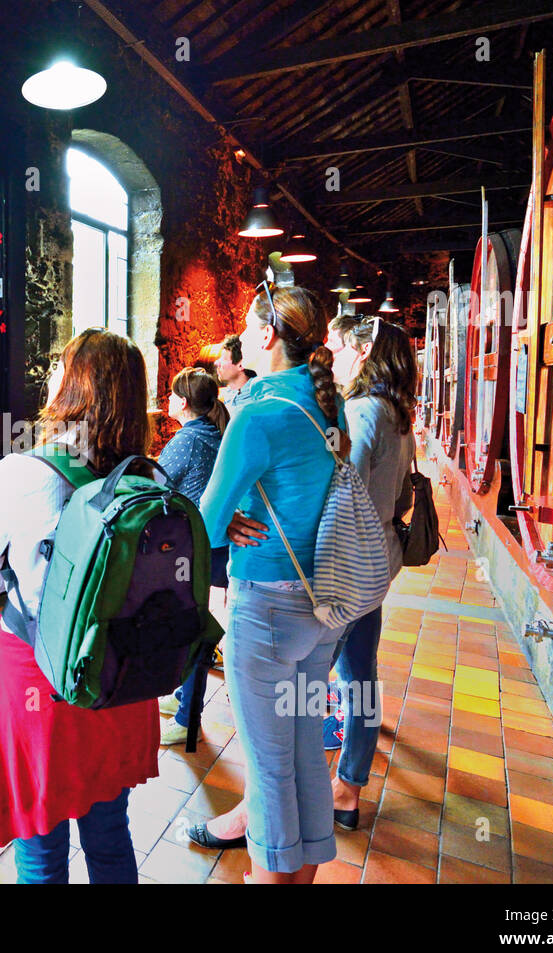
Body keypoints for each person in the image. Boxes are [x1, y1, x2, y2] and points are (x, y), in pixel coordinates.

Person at [0, 329, 159, 884]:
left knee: (40, 845)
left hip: (40, 679)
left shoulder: (20, 474)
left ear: (74, 386)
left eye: (59, 364)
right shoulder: (144, 478)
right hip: (119, 678)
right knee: (110, 834)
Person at [189, 283, 348, 884]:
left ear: (268, 336)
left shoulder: (258, 414)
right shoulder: (327, 405)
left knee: (268, 761)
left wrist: (222, 514)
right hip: (323, 605)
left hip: (268, 612)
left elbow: (205, 520)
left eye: (249, 322)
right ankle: (301, 873)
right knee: (306, 749)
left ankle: (271, 876)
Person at [323, 314, 416, 829]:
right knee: (359, 673)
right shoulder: (397, 413)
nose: (330, 354)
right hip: (380, 558)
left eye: (337, 346)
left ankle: (291, 792)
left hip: (347, 563)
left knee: (311, 672)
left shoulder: (361, 411)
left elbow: (343, 486)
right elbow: (401, 497)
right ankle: (348, 787)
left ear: (362, 353)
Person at [155, 366, 229, 745]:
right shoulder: (212, 433)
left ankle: (188, 718)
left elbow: (156, 484)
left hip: (194, 547)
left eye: (170, 395)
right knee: (194, 622)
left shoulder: (188, 439)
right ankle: (184, 697)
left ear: (182, 403)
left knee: (192, 627)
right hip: (212, 546)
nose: (167, 401)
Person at [214, 333, 256, 415]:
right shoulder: (229, 394)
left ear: (240, 365)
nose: (216, 363)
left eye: (224, 358)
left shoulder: (254, 400)